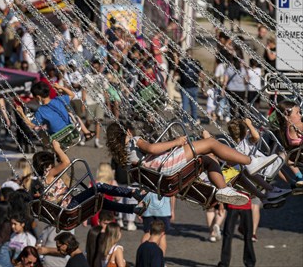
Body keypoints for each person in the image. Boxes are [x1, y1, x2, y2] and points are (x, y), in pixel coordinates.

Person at [105, 122, 279, 205]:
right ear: (127, 131)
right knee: (211, 143)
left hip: (161, 174)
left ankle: (223, 188)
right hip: (167, 165)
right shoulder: (134, 141)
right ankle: (251, 162)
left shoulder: (126, 160)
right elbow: (151, 148)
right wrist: (176, 142)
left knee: (209, 160)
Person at [32, 140, 147, 214]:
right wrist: (57, 148)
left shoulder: (41, 180)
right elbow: (66, 162)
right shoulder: (49, 174)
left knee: (100, 202)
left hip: (67, 208)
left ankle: (133, 209)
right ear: (47, 164)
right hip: (70, 205)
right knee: (99, 186)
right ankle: (132, 193)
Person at [15, 81, 92, 140]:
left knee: (42, 130)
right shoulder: (59, 99)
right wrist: (61, 87)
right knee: (71, 115)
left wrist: (21, 113)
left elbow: (31, 125)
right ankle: (86, 132)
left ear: (38, 97)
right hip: (71, 130)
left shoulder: (40, 111)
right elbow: (72, 95)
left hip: (57, 137)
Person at [218, 192, 256, 267]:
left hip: (246, 206)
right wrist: (221, 203)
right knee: (227, 234)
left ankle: (250, 262)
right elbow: (224, 187)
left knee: (248, 236)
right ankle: (224, 263)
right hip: (233, 206)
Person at [177, 50, 204, 126]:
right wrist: (202, 86)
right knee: (194, 105)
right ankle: (194, 120)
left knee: (185, 105)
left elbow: (177, 72)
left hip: (185, 87)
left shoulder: (182, 62)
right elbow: (201, 75)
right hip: (193, 86)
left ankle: (185, 121)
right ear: (192, 55)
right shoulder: (196, 63)